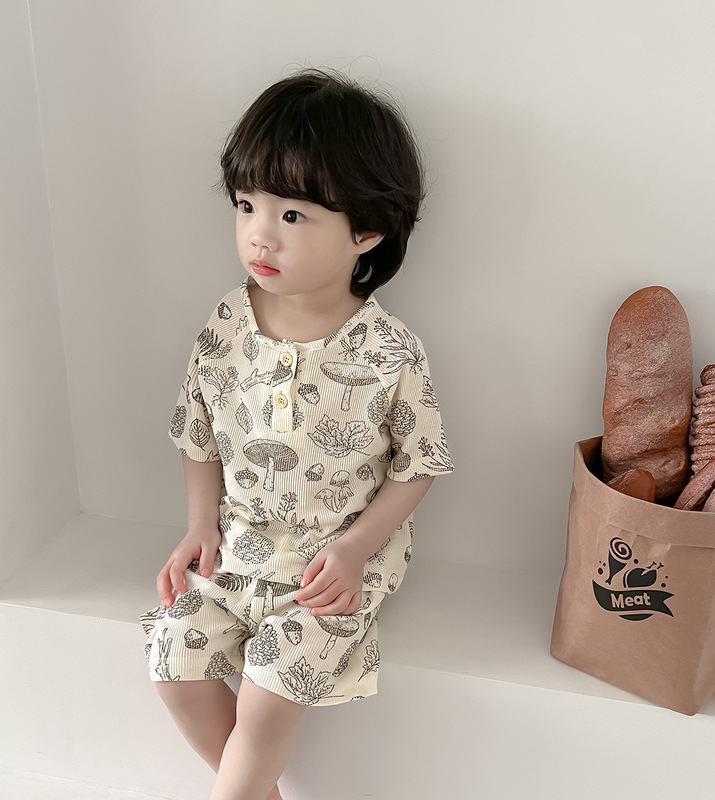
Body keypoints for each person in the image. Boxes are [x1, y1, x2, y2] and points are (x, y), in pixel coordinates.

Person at [138, 69, 453, 800]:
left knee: (269, 693)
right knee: (172, 657)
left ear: (366, 231)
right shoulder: (227, 321)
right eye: (247, 205)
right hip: (239, 542)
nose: (259, 232)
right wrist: (199, 526)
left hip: (332, 561)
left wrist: (355, 549)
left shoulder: (389, 351)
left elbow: (418, 465)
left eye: (292, 215)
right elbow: (199, 433)